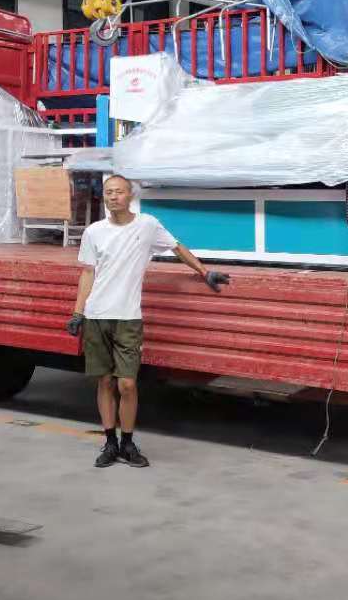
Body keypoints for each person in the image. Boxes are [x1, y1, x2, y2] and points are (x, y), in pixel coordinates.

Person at [66, 174, 229, 469]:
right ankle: (110, 443)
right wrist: (78, 313)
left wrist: (204, 272)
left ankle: (128, 443)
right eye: (108, 192)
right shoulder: (94, 232)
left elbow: (176, 246)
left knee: (127, 384)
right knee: (104, 381)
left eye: (119, 192)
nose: (113, 196)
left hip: (128, 318)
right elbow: (88, 273)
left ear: (130, 196)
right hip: (96, 315)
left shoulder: (147, 225)